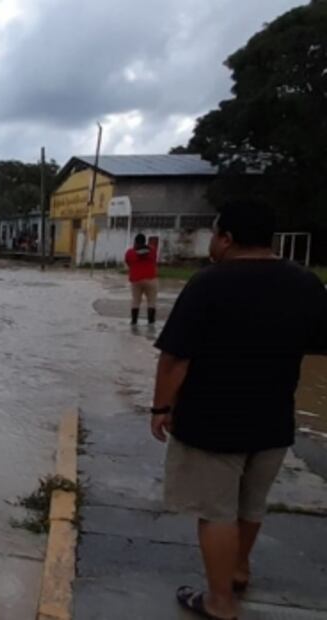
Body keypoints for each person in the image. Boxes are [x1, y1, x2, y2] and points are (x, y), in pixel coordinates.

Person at [150, 200, 327, 619]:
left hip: (212, 421)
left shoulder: (209, 283)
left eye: (214, 233)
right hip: (274, 418)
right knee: (251, 505)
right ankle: (239, 570)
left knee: (217, 514)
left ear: (227, 238)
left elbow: (176, 358)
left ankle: (220, 601)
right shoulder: (306, 283)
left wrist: (160, 407)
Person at [125, 233, 159, 325]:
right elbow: (154, 261)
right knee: (151, 301)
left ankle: (134, 321)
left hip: (136, 279)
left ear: (135, 242)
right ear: (145, 241)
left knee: (136, 301)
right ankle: (151, 322)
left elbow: (128, 263)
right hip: (150, 279)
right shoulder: (152, 251)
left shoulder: (130, 252)